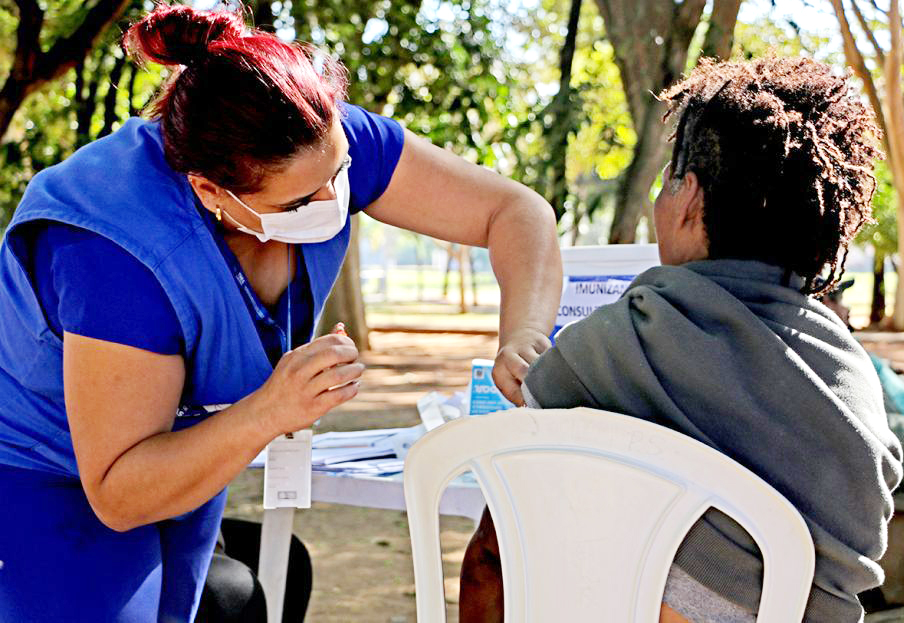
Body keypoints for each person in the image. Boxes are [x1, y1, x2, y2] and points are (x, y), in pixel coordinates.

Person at [0, 5, 561, 622]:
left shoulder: (315, 141)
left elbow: (516, 213)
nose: (333, 203)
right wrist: (272, 408)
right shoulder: (118, 252)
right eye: (300, 201)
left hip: (180, 449)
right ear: (211, 191)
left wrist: (525, 336)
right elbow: (119, 491)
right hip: (43, 467)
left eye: (340, 174)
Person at [459, 56, 903, 623]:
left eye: (667, 181)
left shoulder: (626, 338)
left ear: (690, 199)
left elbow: (493, 558)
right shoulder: (853, 378)